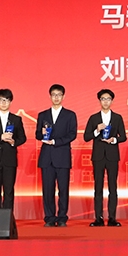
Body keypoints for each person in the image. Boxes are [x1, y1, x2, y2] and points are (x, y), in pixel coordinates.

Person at [83, 89, 127, 227]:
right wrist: (97, 130)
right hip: (98, 156)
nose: (106, 101)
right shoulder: (94, 118)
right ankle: (99, 218)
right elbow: (86, 137)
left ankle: (112, 218)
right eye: (103, 99)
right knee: (98, 187)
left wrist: (114, 140)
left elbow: (123, 136)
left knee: (113, 187)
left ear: (112, 101)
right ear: (99, 101)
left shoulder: (117, 117)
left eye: (108, 99)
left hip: (112, 156)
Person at [35, 84, 77, 227]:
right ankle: (49, 218)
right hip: (47, 157)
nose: (56, 97)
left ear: (63, 97)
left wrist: (55, 141)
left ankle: (62, 217)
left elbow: (72, 134)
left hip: (62, 156)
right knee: (47, 190)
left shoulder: (70, 115)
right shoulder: (43, 115)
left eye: (59, 95)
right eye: (54, 95)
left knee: (63, 190)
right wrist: (42, 134)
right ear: (50, 96)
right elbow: (37, 134)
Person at [0, 89, 27, 212]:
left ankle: (7, 218)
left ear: (11, 102)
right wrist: (0, 137)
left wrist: (13, 142)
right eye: (1, 100)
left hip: (9, 159)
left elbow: (22, 138)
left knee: (9, 190)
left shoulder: (16, 119)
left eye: (7, 100)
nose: (4, 103)